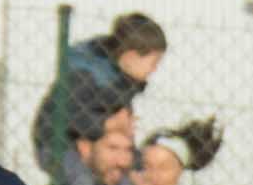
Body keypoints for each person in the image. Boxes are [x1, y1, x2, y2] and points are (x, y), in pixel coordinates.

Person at [38, 10, 168, 174]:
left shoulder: (124, 81)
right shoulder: (85, 73)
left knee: (129, 184)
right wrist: (107, 124)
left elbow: (120, 128)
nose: (155, 69)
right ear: (131, 56)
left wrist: (136, 163)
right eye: (154, 61)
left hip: (98, 148)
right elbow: (67, 114)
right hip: (55, 145)